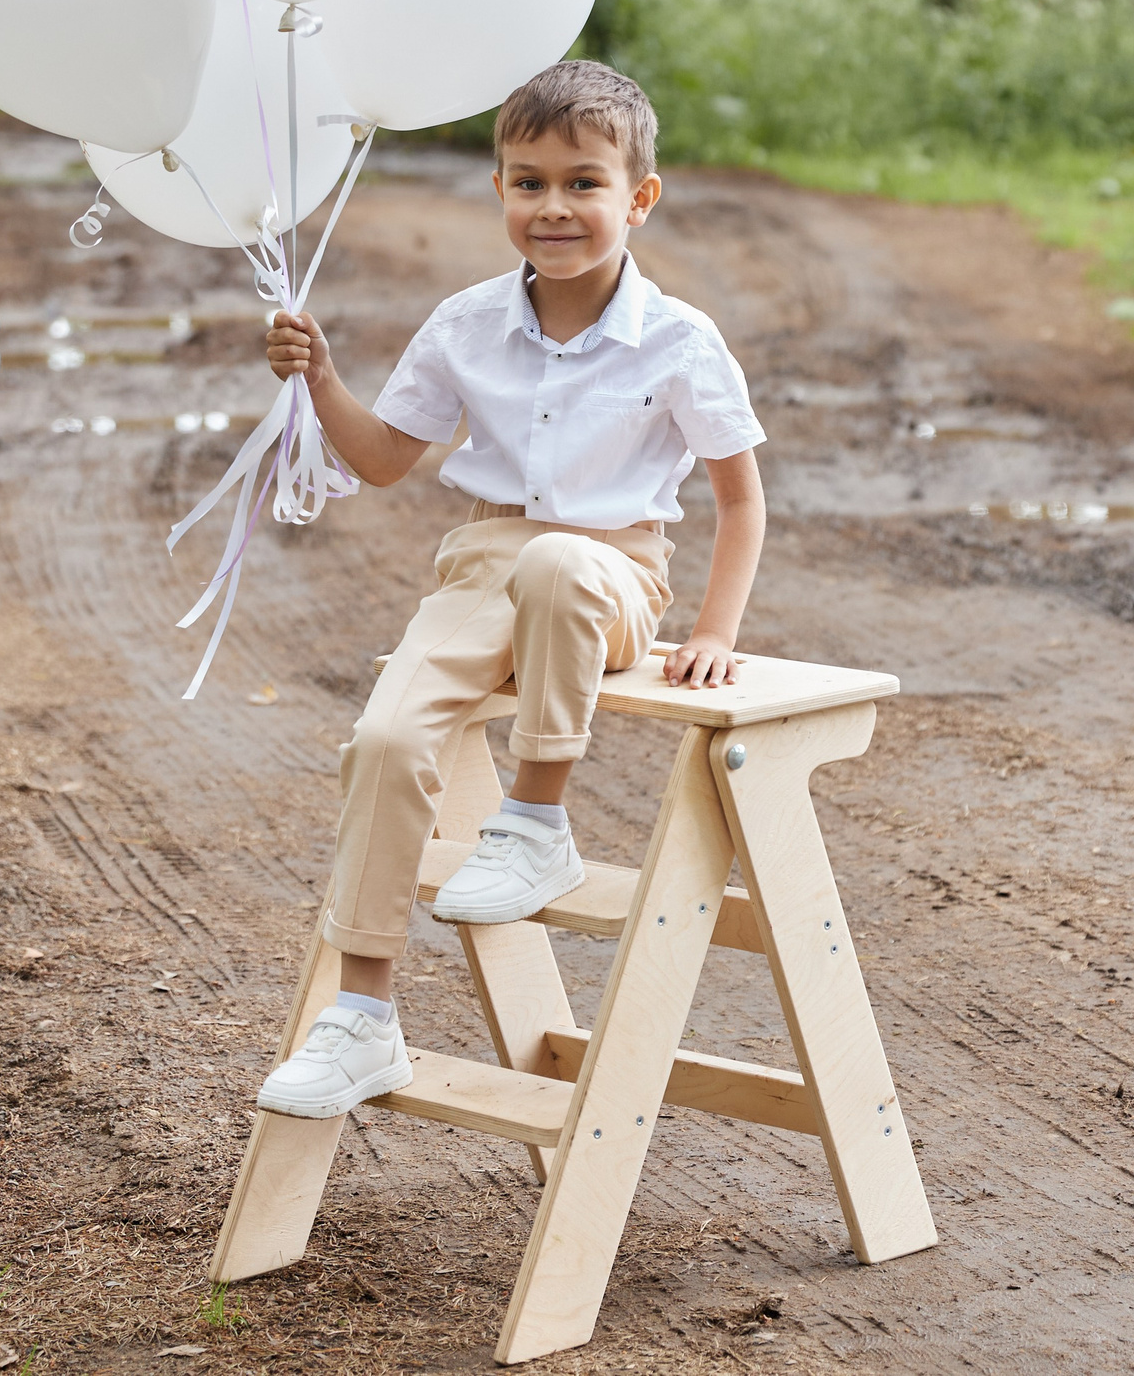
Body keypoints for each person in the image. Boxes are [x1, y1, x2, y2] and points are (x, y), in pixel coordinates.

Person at [250, 60, 768, 1119]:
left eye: (583, 183)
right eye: (526, 183)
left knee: (557, 560)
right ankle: (362, 1019)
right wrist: (318, 378)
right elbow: (385, 460)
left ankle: (537, 823)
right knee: (384, 744)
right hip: (481, 571)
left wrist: (714, 630)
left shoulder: (678, 339)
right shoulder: (465, 324)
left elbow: (740, 499)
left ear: (638, 198)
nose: (554, 207)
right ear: (498, 192)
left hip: (609, 573)